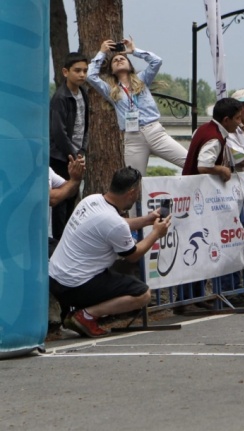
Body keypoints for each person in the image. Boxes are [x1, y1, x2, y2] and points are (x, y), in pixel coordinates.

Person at [49, 167, 170, 337]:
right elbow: (133, 255)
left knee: (108, 275)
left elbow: (116, 224)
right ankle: (85, 316)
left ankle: (72, 319)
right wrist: (156, 233)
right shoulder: (114, 223)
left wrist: (148, 220)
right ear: (132, 192)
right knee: (142, 294)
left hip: (56, 277)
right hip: (73, 285)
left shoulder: (93, 200)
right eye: (138, 192)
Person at [87, 38, 187, 176]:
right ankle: (138, 198)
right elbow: (90, 76)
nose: (119, 60)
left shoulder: (142, 79)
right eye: (115, 61)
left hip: (155, 133)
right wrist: (102, 52)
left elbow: (157, 61)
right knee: (132, 180)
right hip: (133, 139)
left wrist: (134, 51)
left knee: (190, 162)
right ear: (111, 70)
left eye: (122, 58)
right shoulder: (111, 89)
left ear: (130, 65)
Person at [50, 52, 90, 239]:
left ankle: (67, 239)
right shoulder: (60, 97)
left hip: (77, 155)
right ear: (66, 72)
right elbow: (58, 132)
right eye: (77, 71)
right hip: (61, 157)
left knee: (72, 197)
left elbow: (86, 126)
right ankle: (57, 241)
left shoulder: (83, 93)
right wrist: (73, 154)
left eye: (85, 70)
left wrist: (82, 150)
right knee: (60, 202)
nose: (82, 74)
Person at [49, 156, 86, 255]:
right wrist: (73, 181)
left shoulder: (47, 170)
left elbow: (70, 192)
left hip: (42, 237)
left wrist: (76, 176)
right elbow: (51, 198)